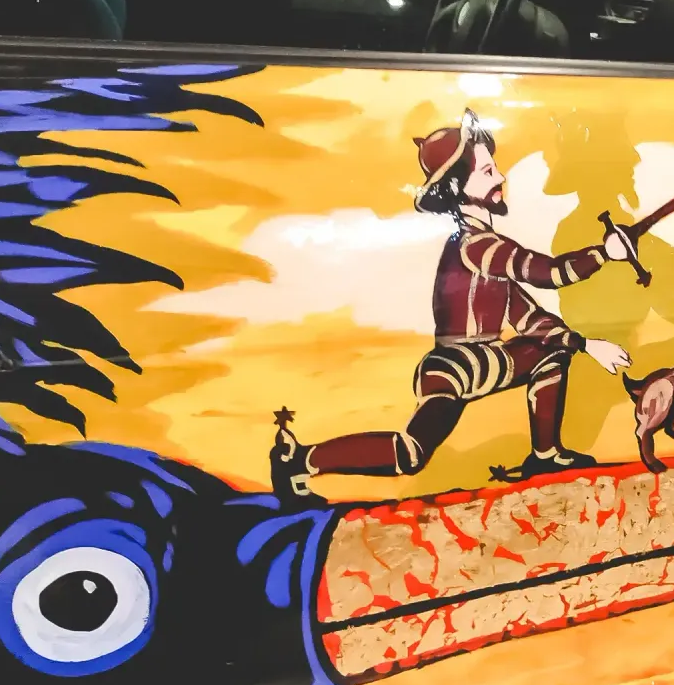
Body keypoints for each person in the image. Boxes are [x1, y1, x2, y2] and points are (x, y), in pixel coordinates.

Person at [269, 109, 632, 501]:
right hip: (457, 366)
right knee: (410, 454)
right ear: (458, 185)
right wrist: (604, 253)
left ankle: (545, 454)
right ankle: (298, 459)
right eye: (488, 172)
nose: (501, 178)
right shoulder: (478, 245)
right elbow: (548, 272)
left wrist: (583, 344)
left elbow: (528, 317)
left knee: (552, 350)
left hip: (481, 360)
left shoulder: (486, 250)